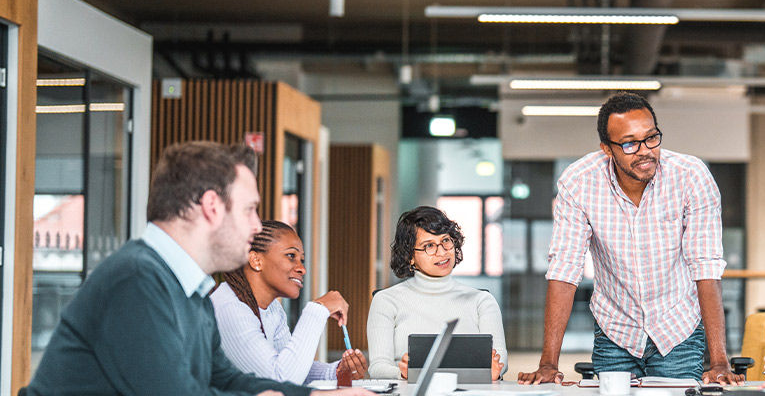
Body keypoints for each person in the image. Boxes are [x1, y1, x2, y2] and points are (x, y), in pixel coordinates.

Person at [26, 141, 369, 396]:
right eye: (249, 210)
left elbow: (224, 378)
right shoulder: (136, 280)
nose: (255, 228)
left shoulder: (192, 290)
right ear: (211, 206)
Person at [517, 92, 741, 385]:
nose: (645, 151)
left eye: (651, 138)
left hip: (678, 330)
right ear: (607, 149)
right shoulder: (579, 182)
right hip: (616, 331)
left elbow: (706, 268)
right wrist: (548, 363)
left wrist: (719, 361)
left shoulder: (692, 177)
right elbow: (564, 270)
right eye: (629, 143)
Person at [211, 220, 369, 384]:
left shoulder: (272, 309)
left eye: (302, 260)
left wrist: (337, 372)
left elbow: (291, 367)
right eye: (291, 256)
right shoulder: (230, 309)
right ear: (256, 260)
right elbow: (281, 380)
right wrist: (317, 309)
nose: (302, 269)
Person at [367, 206, 507, 380]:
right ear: (410, 256)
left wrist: (493, 371)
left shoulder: (482, 301)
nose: (442, 252)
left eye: (446, 241)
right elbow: (378, 367)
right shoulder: (386, 301)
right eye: (429, 246)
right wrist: (402, 373)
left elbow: (500, 361)